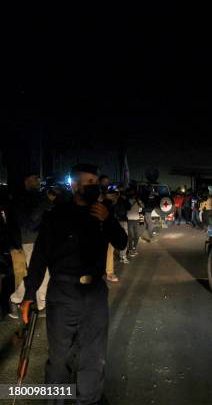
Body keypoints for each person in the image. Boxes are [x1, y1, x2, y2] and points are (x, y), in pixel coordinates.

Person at [21, 163, 127, 404]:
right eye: (87, 182)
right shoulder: (57, 215)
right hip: (63, 293)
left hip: (95, 292)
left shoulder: (102, 213)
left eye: (94, 181)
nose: (93, 186)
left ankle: (88, 398)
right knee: (59, 356)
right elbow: (39, 257)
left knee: (94, 353)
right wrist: (29, 293)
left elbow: (122, 242)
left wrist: (108, 219)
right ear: (74, 185)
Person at [7, 173, 54, 318]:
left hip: (40, 238)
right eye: (35, 178)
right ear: (26, 180)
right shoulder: (20, 197)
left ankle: (20, 300)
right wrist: (47, 200)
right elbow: (31, 220)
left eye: (39, 178)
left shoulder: (35, 195)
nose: (38, 181)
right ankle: (37, 303)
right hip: (30, 239)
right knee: (42, 271)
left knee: (39, 271)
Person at [126, 188, 143, 257]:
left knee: (137, 235)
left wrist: (141, 221)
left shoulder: (138, 201)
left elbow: (141, 210)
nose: (133, 195)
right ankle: (130, 250)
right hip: (129, 220)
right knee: (130, 236)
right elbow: (126, 209)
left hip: (137, 220)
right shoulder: (127, 201)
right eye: (131, 193)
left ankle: (134, 248)